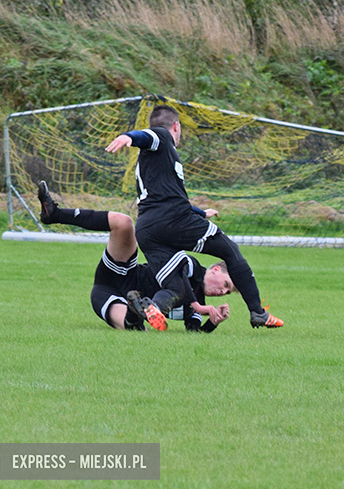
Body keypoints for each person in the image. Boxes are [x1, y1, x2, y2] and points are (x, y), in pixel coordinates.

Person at [105, 105, 282, 329]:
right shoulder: (162, 136)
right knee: (230, 251)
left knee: (176, 289)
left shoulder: (153, 158)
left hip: (148, 229)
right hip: (173, 220)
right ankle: (258, 312)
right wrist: (128, 136)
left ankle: (154, 308)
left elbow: (166, 192)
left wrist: (199, 213)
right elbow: (147, 135)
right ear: (176, 126)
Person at [37, 181, 233, 332]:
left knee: (136, 330)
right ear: (215, 270)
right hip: (122, 272)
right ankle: (54, 214)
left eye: (227, 292)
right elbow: (180, 281)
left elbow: (194, 331)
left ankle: (134, 307)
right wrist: (197, 305)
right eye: (225, 284)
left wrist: (213, 322)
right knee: (123, 222)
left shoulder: (197, 307)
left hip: (105, 295)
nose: (223, 292)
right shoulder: (191, 266)